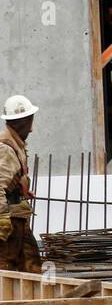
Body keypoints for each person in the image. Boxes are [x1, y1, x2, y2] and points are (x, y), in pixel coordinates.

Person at [0, 95, 44, 273]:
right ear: (23, 122)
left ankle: (31, 300)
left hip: (17, 216)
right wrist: (2, 220)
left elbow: (12, 178)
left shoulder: (16, 144)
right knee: (6, 267)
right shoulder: (6, 149)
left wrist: (22, 190)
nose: (32, 129)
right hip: (8, 220)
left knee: (31, 265)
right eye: (30, 121)